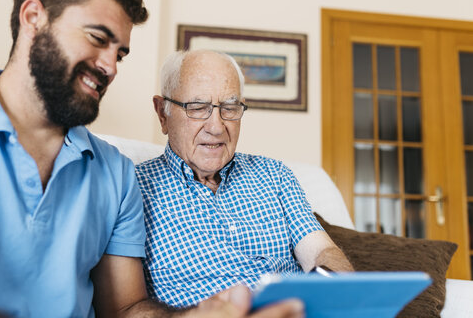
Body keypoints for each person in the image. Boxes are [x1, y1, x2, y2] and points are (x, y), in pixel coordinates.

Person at [0, 0, 304, 317]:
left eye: (119, 55)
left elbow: (125, 308)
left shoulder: (115, 173)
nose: (110, 68)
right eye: (97, 38)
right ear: (33, 17)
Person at [135, 49, 354, 308]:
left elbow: (320, 251)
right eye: (197, 107)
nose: (216, 127)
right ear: (163, 114)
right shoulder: (132, 190)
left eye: (229, 108)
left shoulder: (274, 175)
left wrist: (339, 297)